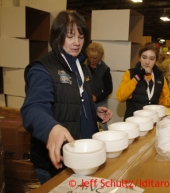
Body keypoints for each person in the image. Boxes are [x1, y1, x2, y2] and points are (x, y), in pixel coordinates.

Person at [20, 10, 113, 184]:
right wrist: (51, 128)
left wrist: (94, 111)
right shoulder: (43, 68)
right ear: (58, 36)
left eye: (81, 36)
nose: (77, 43)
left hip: (83, 156)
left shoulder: (82, 66)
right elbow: (33, 108)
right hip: (57, 163)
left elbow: (75, 99)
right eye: (70, 36)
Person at [116, 42, 170, 120]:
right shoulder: (130, 74)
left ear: (156, 60)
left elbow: (164, 99)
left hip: (152, 120)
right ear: (139, 57)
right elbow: (120, 97)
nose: (147, 62)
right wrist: (137, 78)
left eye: (151, 59)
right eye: (144, 57)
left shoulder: (160, 77)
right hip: (132, 120)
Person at [85, 42, 113, 130]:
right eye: (90, 57)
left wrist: (97, 98)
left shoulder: (105, 69)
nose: (92, 60)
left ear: (100, 57)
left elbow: (109, 89)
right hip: (86, 100)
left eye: (95, 58)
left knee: (103, 126)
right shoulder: (83, 67)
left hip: (101, 101)